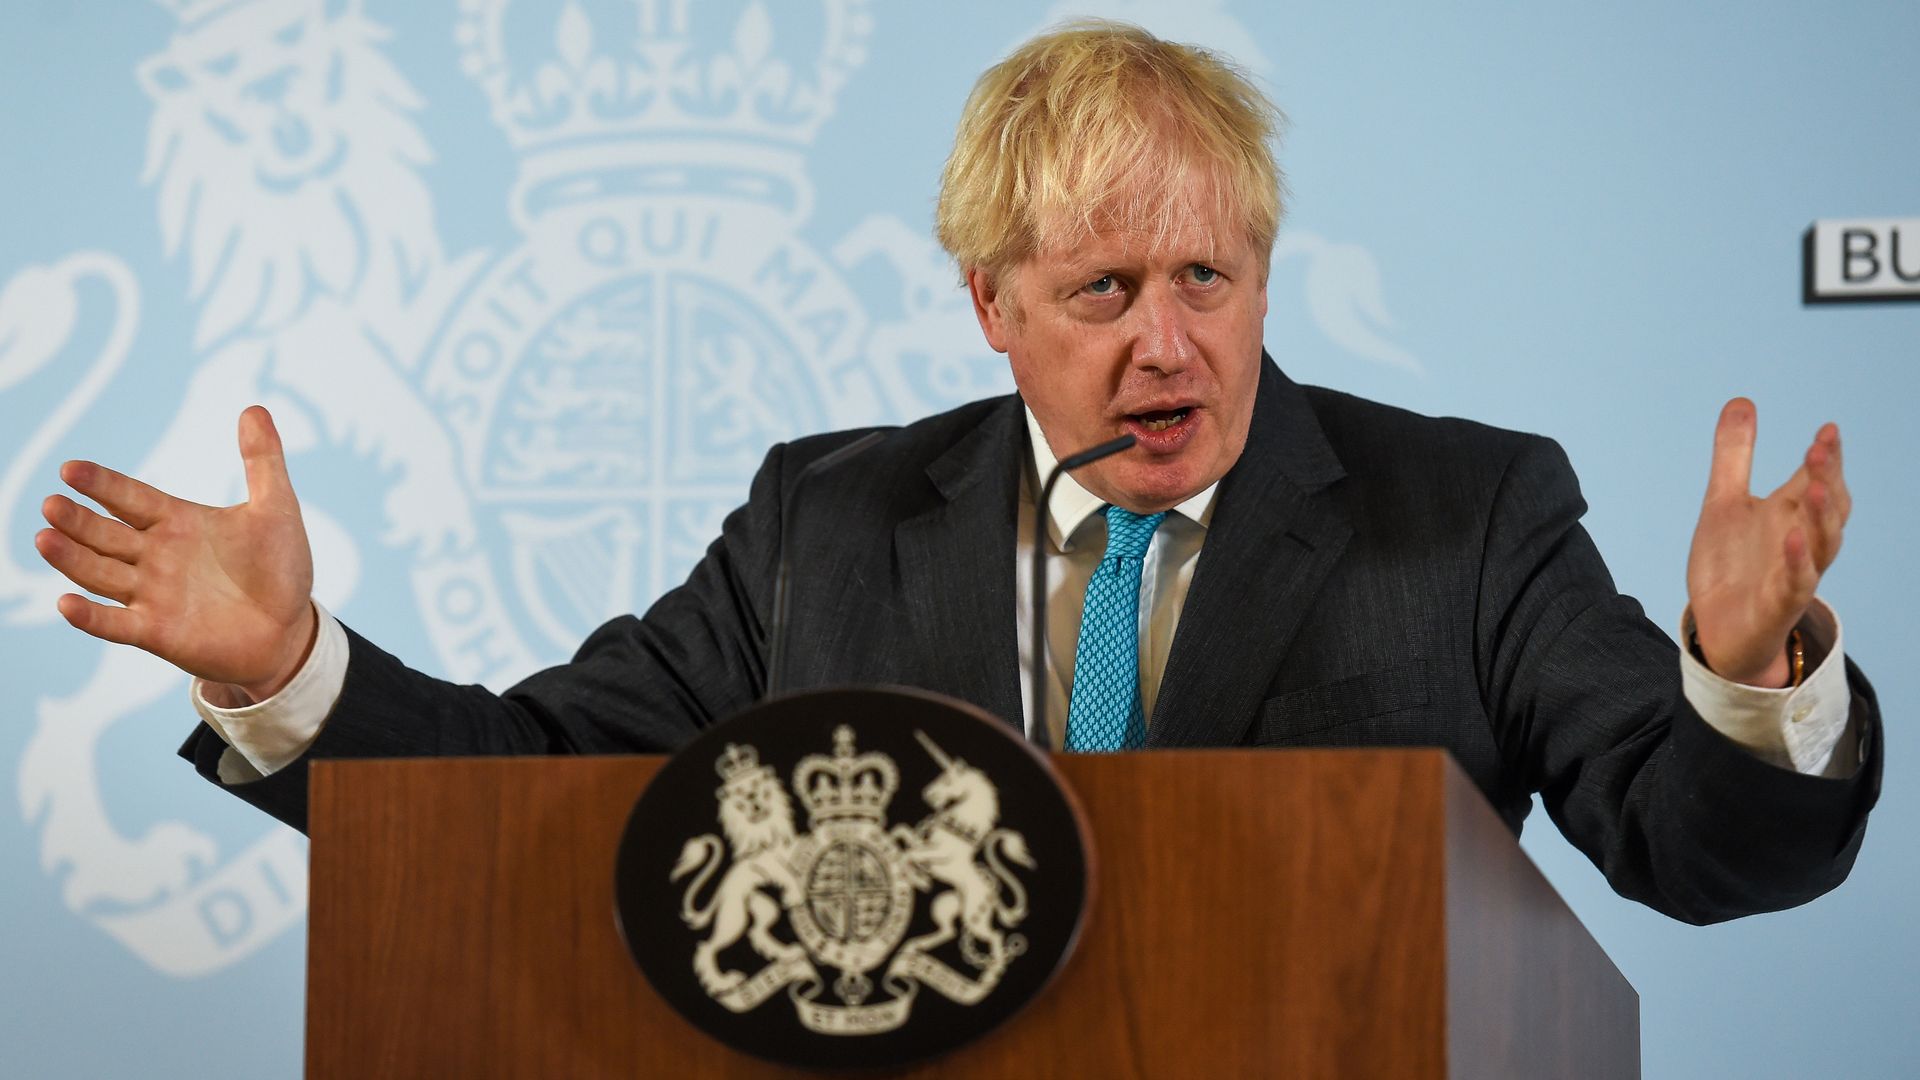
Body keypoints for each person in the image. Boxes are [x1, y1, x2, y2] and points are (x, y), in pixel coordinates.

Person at [33, 22, 1877, 923]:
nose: (1169, 343)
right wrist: (287, 670)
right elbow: (531, 807)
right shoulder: (822, 527)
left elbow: (1693, 847)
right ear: (989, 305)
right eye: (1102, 290)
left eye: (1208, 280)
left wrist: (1749, 679)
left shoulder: (1468, 515)